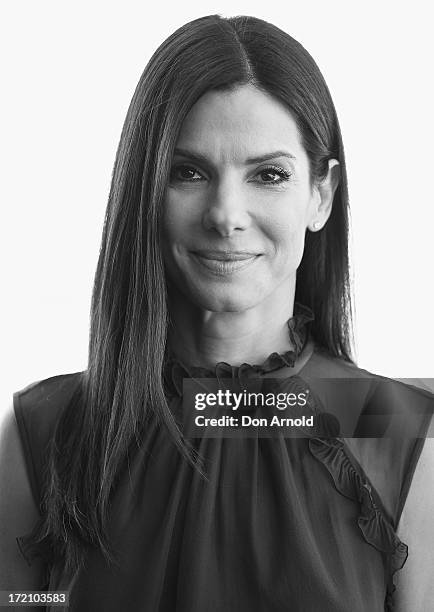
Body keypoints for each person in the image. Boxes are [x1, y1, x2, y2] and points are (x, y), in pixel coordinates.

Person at [1, 14, 433, 612]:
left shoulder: (402, 433)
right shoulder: (41, 433)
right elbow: (17, 603)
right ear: (143, 190)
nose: (226, 213)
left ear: (321, 195)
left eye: (270, 175)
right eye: (189, 172)